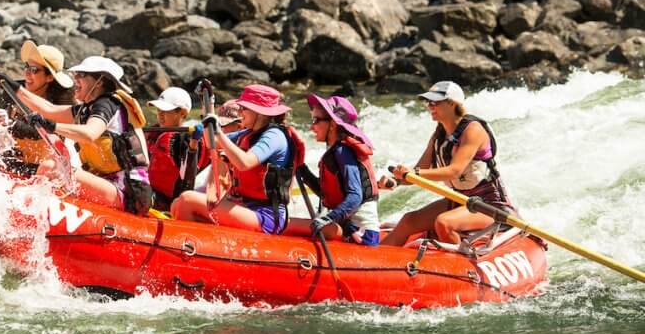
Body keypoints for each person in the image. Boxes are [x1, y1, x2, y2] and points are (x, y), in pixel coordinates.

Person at [380, 81, 515, 247]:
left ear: (452, 103)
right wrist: (395, 181)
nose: (430, 106)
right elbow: (417, 172)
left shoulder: (473, 130)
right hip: (460, 200)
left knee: (444, 223)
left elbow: (454, 171)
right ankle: (371, 263)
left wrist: (414, 174)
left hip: (490, 205)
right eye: (428, 102)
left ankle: (461, 266)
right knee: (409, 221)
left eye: (435, 102)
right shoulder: (438, 135)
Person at [16, 56, 153, 216]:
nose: (75, 79)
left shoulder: (107, 104)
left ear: (99, 81)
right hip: (107, 184)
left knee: (51, 168)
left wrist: (52, 126)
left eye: (81, 75)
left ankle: (27, 214)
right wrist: (15, 89)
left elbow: (89, 133)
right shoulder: (87, 109)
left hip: (130, 192)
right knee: (53, 162)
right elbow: (49, 110)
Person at [170, 84, 306, 234]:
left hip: (265, 216)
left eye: (244, 108)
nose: (240, 112)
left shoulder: (275, 136)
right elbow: (211, 142)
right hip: (245, 206)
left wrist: (219, 133)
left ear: (259, 112)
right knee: (177, 203)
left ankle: (189, 249)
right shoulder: (247, 133)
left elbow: (244, 163)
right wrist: (208, 104)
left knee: (187, 200)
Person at [284, 95, 380, 246]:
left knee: (285, 223)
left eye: (316, 120)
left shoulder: (343, 152)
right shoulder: (336, 151)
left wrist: (327, 218)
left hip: (361, 235)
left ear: (333, 124)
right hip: (346, 226)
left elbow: (355, 196)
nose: (311, 127)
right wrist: (301, 168)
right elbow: (326, 193)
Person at [0, 41, 74, 177]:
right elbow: (1, 131)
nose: (27, 73)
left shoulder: (59, 107)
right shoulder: (14, 92)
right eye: (26, 67)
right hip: (11, 162)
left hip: (40, 171)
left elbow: (41, 132)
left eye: (34, 70)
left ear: (49, 77)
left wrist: (11, 123)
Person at [145, 87, 201, 210]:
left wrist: (193, 147)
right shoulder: (151, 133)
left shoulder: (183, 139)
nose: (160, 114)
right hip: (144, 188)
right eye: (159, 110)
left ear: (182, 113)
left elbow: (188, 179)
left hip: (166, 200)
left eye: (165, 110)